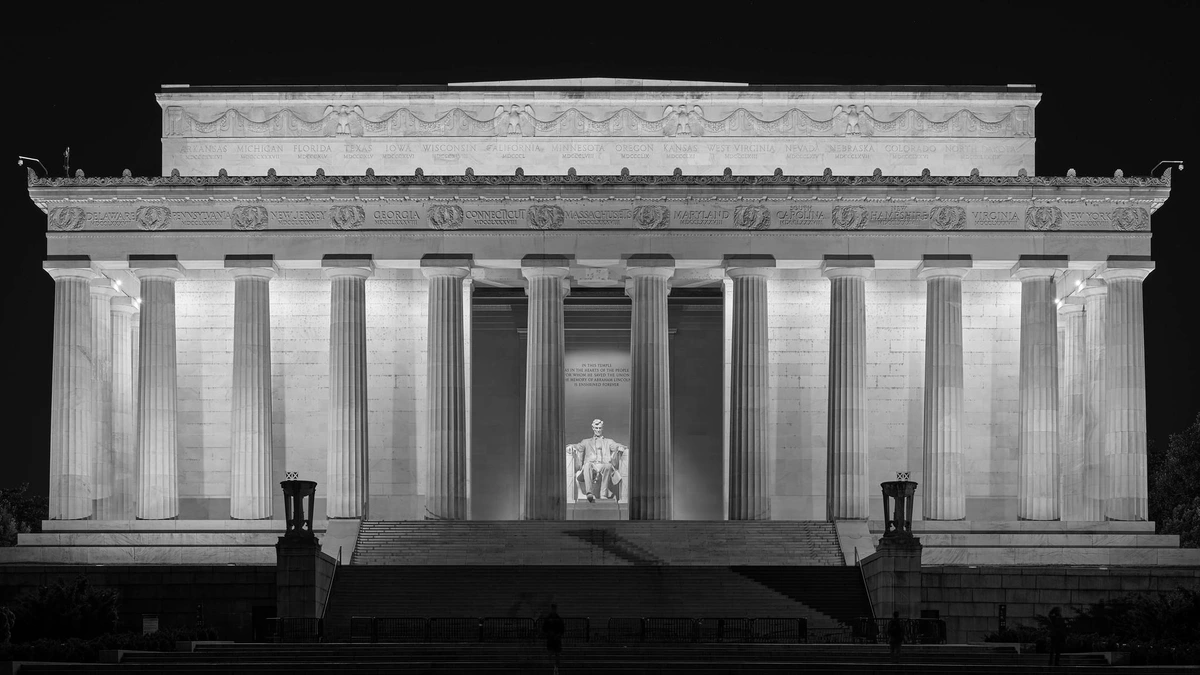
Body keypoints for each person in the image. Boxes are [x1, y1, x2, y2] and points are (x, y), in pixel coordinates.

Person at [566, 419, 627, 502]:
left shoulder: (608, 441)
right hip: (592, 465)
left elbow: (616, 445)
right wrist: (570, 447)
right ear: (593, 428)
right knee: (587, 465)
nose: (598, 430)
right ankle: (589, 493)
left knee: (608, 466)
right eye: (596, 428)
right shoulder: (586, 442)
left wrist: (621, 447)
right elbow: (577, 446)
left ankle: (603, 494)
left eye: (600, 428)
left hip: (604, 465)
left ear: (602, 429)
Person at [542, 603, 565, 674]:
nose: (554, 610)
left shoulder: (557, 618)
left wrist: (558, 635)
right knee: (551, 654)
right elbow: (544, 629)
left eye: (554, 609)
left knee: (556, 654)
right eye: (553, 609)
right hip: (551, 639)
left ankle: (556, 668)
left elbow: (562, 629)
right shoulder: (549, 618)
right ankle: (552, 668)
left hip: (556, 639)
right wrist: (548, 634)